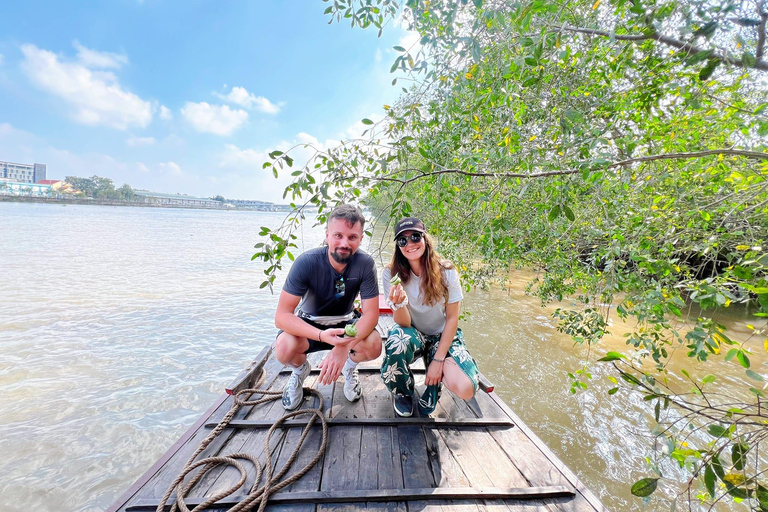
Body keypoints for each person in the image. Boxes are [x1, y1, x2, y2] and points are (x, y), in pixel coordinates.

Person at [274, 204, 382, 410]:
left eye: (352, 237)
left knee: (375, 345)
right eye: (338, 235)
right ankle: (299, 371)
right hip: (310, 323)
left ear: (360, 238)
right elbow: (282, 316)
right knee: (284, 348)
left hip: (345, 322)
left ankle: (349, 367)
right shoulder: (306, 262)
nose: (344, 243)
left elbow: (371, 315)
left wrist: (344, 346)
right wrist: (322, 336)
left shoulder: (365, 264)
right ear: (327, 235)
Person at [380, 217, 479, 417]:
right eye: (402, 241)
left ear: (425, 239)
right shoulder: (390, 274)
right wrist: (399, 304)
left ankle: (442, 372)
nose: (410, 244)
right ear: (398, 247)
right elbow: (404, 323)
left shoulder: (446, 271)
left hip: (442, 335)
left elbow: (452, 319)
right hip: (413, 333)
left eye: (415, 236)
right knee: (398, 338)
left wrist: (438, 360)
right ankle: (402, 392)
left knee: (466, 388)